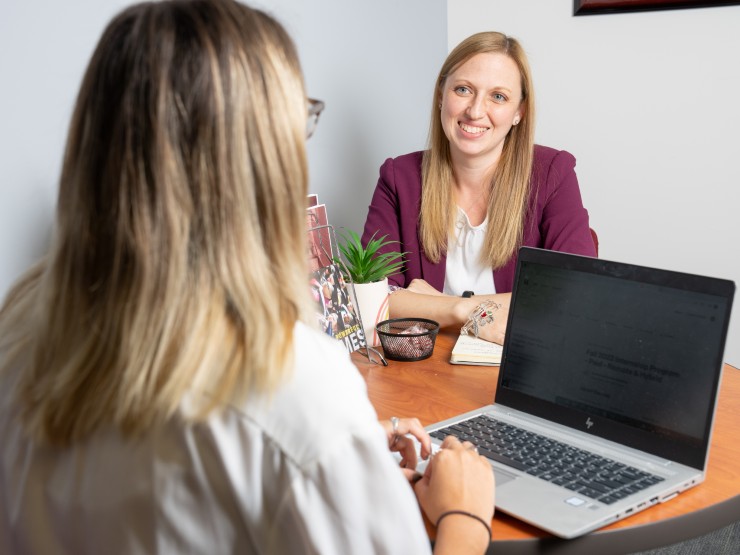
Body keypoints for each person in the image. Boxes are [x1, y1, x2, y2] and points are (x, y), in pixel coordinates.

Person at [0, 1, 494, 554]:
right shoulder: (292, 382)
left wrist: (332, 459)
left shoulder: (19, 326)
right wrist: (463, 514)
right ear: (261, 156)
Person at [362, 31, 596, 345]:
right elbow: (372, 298)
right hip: (425, 371)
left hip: (517, 367)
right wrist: (463, 309)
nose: (475, 110)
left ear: (518, 112)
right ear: (441, 95)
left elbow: (575, 292)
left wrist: (429, 304)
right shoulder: (399, 177)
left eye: (498, 96)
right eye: (463, 89)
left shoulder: (553, 172)